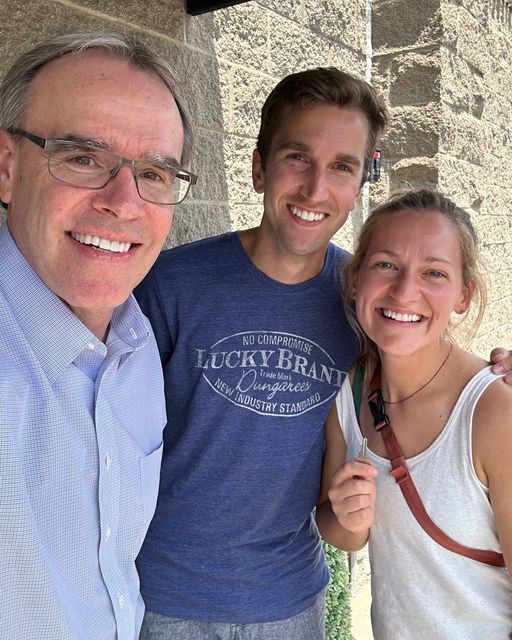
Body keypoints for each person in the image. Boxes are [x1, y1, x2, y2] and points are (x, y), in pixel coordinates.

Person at [135, 67, 512, 639]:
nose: (315, 189)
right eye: (296, 158)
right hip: (160, 598)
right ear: (259, 167)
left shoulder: (363, 300)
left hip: (289, 602)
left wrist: (499, 376)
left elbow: (428, 343)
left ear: (361, 183)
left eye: (342, 166)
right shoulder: (169, 285)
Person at [0, 31, 196, 639]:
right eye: (83, 158)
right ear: (7, 168)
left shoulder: (137, 350)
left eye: (155, 174)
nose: (123, 202)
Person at [317, 189, 512, 639]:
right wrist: (346, 516)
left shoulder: (492, 412)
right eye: (386, 264)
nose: (405, 291)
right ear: (355, 278)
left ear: (464, 295)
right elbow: (342, 534)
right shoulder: (348, 393)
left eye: (434, 273)